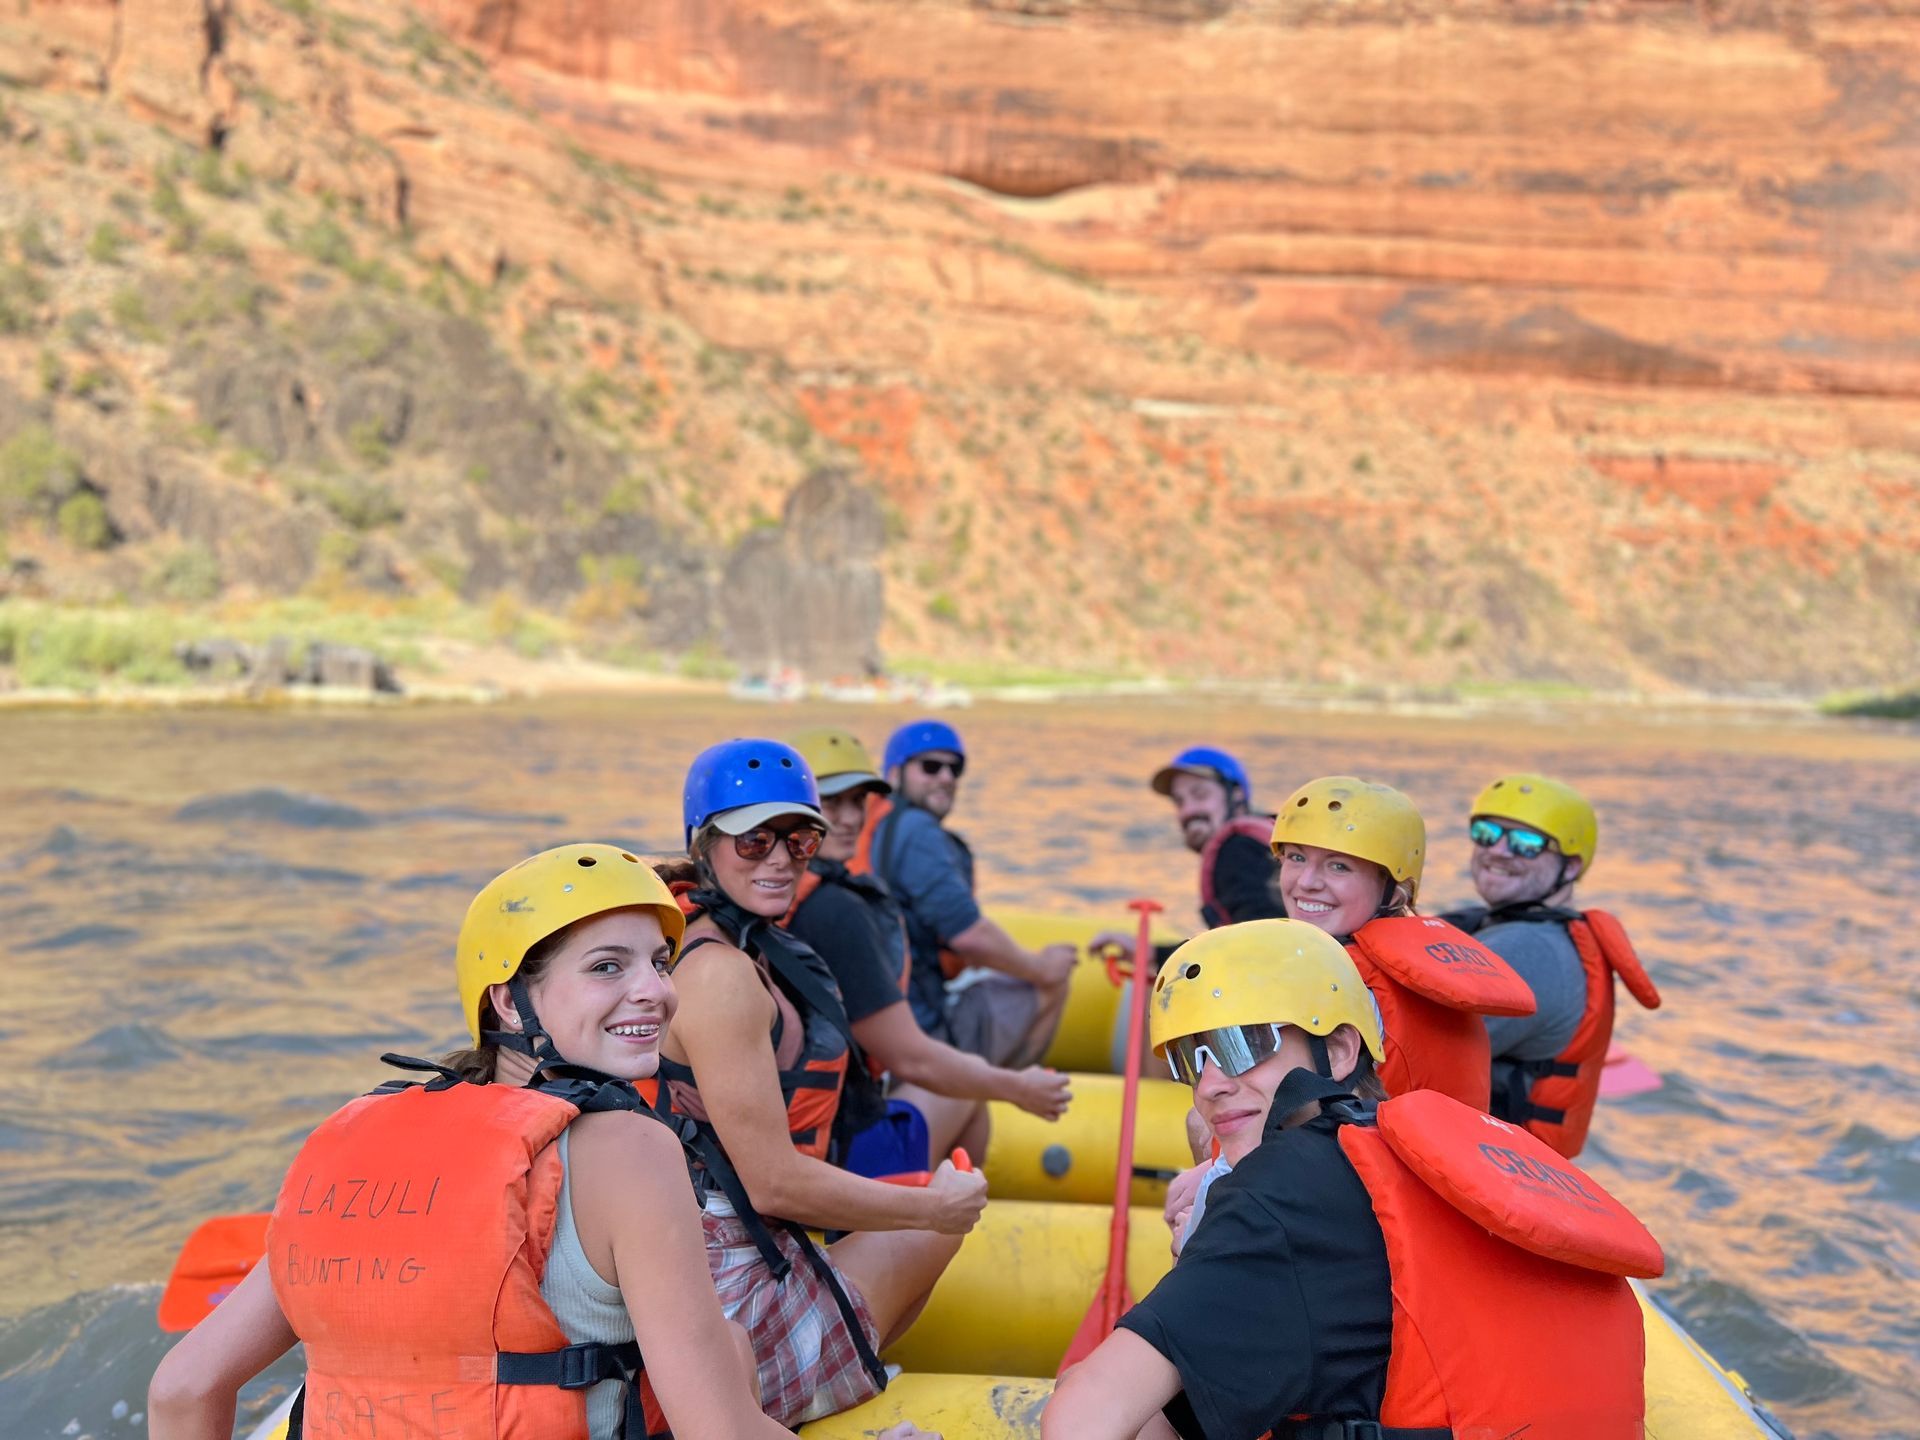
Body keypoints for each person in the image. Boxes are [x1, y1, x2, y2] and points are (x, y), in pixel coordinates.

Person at [147, 843, 798, 1440]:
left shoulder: (360, 1136)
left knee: (729, 1345)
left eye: (660, 963)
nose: (656, 992)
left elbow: (184, 1389)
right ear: (510, 1005)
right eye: (608, 967)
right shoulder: (633, 1151)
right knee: (728, 1354)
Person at [1044, 919, 1662, 1440]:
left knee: (1086, 1388)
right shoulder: (1394, 1147)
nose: (1210, 1085)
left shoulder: (1277, 1196)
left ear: (1338, 1051)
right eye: (1190, 1058)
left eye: (1241, 1045)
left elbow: (1085, 1413)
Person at [657, 738, 987, 1427]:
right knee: (934, 1226)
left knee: (913, 1205)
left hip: (714, 1253)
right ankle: (825, 1387)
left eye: (798, 839)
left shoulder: (721, 945)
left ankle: (839, 1366)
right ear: (704, 845)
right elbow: (773, 1185)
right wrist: (935, 1209)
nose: (779, 859)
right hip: (725, 1300)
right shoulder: (718, 976)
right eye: (754, 843)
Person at [784, 727, 1072, 1169]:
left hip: (806, 1121)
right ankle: (935, 1213)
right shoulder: (835, 910)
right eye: (830, 803)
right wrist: (1015, 1087)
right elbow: (912, 1056)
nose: (848, 818)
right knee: (966, 1090)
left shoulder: (770, 898)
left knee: (965, 1087)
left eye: (856, 802)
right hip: (834, 1146)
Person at [1270, 774, 1535, 1110]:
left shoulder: (1341, 983)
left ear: (1395, 892)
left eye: (1339, 866)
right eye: (1296, 857)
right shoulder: (1418, 967)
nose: (1306, 882)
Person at [1442, 773, 1662, 1157]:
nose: (1499, 850)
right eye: (1487, 832)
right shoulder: (1505, 928)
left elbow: (1415, 1053)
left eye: (1527, 844)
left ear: (1572, 866)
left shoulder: (1528, 948)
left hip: (1478, 1162)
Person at [859, 718, 1076, 1068]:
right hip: (921, 1033)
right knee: (1052, 979)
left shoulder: (868, 827)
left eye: (954, 769)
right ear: (895, 774)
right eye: (930, 767)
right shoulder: (918, 833)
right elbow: (970, 938)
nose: (945, 778)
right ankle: (1008, 1092)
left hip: (880, 1022)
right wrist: (1041, 968)